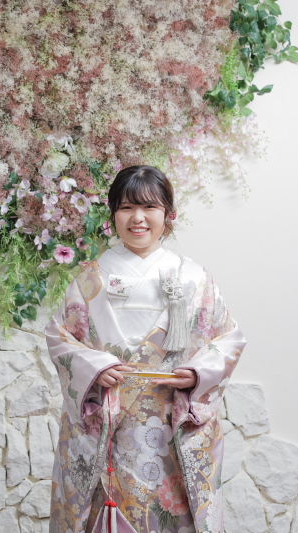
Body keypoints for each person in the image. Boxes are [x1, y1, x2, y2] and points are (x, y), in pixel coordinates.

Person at [45, 165, 245, 533]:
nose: (138, 219)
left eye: (149, 207)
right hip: (109, 423)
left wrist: (199, 374)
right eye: (126, 208)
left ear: (168, 214)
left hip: (171, 423)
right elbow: (60, 338)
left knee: (171, 516)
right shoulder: (91, 278)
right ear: (113, 215)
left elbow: (228, 339)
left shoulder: (194, 278)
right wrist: (94, 368)